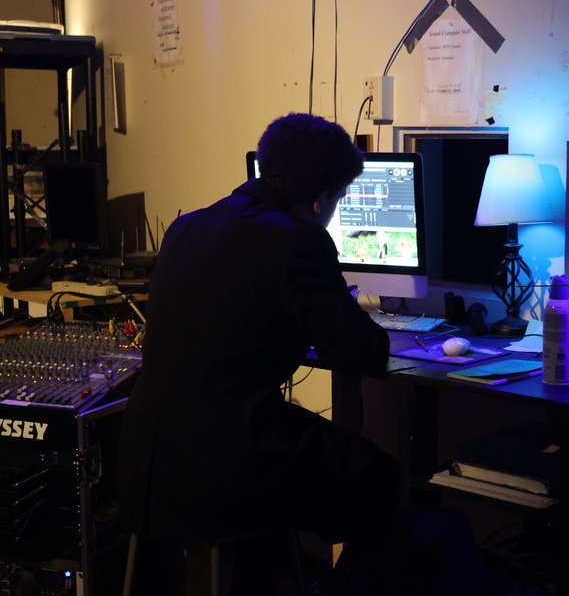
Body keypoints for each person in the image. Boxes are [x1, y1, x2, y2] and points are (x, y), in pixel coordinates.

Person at [118, 113, 393, 592]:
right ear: (321, 198)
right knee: (379, 476)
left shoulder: (187, 227)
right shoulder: (299, 239)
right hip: (223, 468)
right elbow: (364, 351)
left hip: (148, 461)